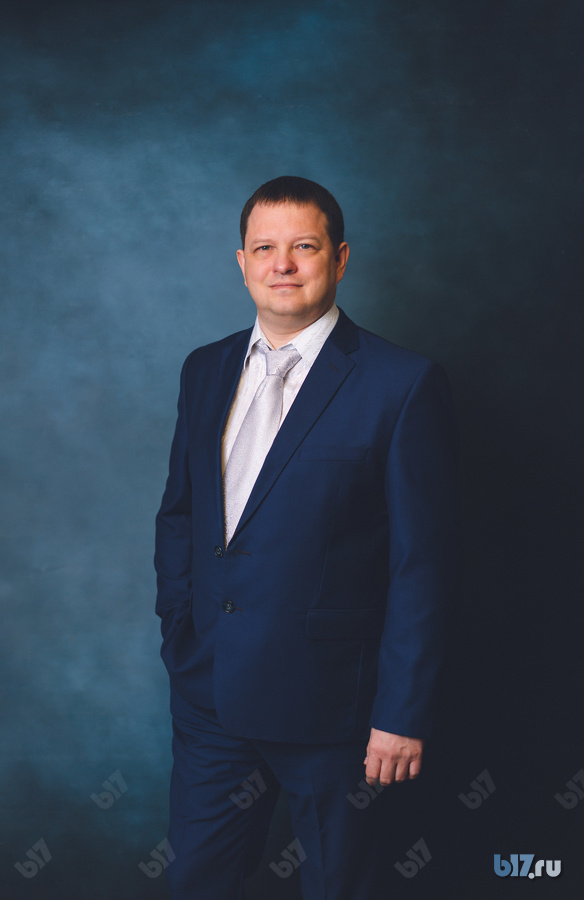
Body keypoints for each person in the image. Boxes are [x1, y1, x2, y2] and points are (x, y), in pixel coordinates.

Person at [155, 175, 458, 899]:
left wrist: (400, 713)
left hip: (334, 710)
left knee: (338, 886)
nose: (282, 264)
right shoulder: (205, 369)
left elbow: (422, 565)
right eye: (265, 248)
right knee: (197, 881)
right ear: (242, 263)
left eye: (305, 247)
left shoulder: (402, 383)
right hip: (210, 695)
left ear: (340, 259)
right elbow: (181, 515)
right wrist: (180, 627)